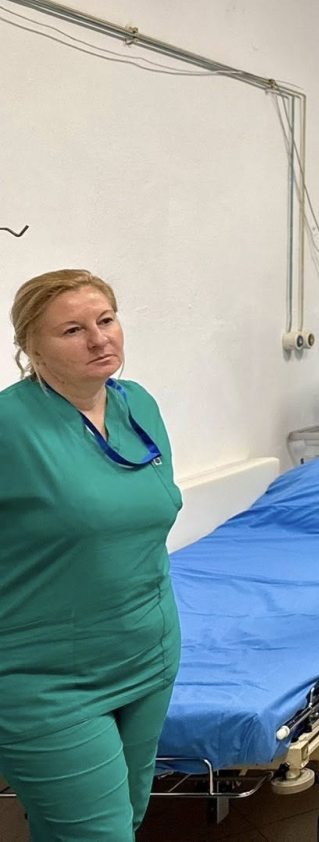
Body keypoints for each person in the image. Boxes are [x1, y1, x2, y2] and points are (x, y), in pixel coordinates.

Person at [0, 269, 182, 841]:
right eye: (73, 330)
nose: (100, 338)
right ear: (31, 347)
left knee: (127, 817)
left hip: (148, 655)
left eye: (106, 320)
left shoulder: (139, 404)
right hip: (44, 677)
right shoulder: (9, 426)